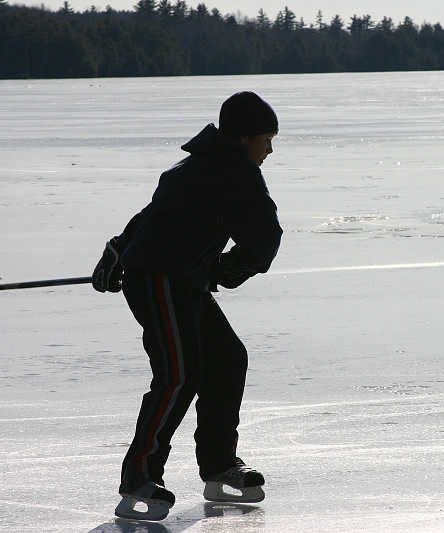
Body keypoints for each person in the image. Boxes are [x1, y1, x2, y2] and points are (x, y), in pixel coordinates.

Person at [91, 91, 283, 521]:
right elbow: (264, 241)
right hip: (160, 280)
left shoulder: (193, 167)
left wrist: (119, 248)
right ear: (244, 138)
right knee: (179, 375)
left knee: (228, 359)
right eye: (267, 139)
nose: (270, 150)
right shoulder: (234, 171)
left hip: (180, 278)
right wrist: (231, 269)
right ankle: (139, 479)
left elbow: (156, 216)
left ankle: (218, 466)